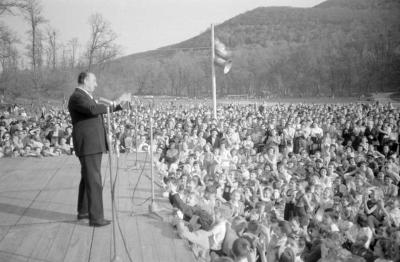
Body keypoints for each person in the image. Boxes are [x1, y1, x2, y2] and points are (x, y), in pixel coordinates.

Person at [68, 71, 130, 227]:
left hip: (91, 144)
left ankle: (83, 212)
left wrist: (120, 105)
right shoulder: (77, 97)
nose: (96, 84)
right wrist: (115, 101)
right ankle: (96, 218)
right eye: (94, 81)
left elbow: (98, 109)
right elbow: (93, 110)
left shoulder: (85, 97)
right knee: (94, 181)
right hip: (88, 145)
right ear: (85, 80)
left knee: (87, 178)